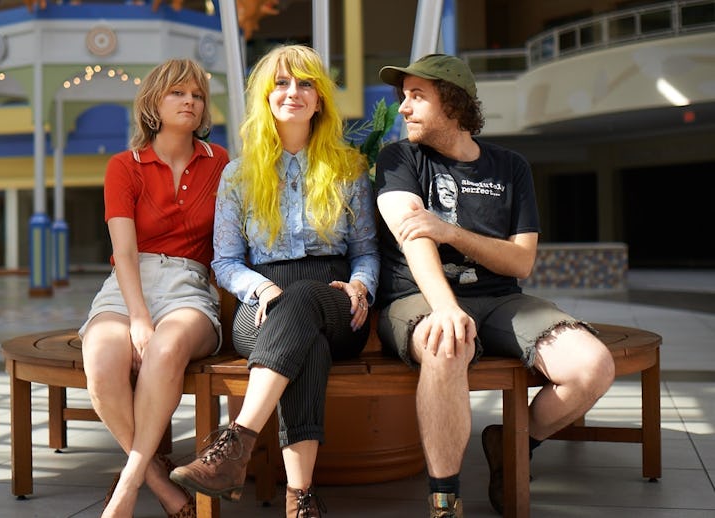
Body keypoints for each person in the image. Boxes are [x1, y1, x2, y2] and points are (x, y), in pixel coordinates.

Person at [373, 53, 616, 517]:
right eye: (403, 96)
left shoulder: (510, 167)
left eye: (417, 96)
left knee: (593, 366)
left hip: (501, 300)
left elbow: (521, 259)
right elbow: (414, 239)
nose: (404, 107)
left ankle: (511, 444)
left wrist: (452, 232)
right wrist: (444, 308)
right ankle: (445, 501)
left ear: (455, 104)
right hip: (416, 298)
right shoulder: (399, 158)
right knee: (447, 342)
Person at [170, 44, 379, 518]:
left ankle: (235, 444)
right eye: (282, 83)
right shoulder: (239, 175)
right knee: (308, 345)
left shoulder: (347, 168)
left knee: (306, 299)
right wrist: (261, 288)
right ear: (265, 95)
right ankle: (299, 500)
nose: (293, 92)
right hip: (260, 302)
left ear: (321, 99)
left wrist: (361, 286)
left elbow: (366, 251)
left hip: (336, 301)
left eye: (306, 83)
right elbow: (224, 261)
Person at [79, 58, 229, 518]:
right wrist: (139, 317)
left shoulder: (220, 162)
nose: (189, 101)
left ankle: (129, 482)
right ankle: (157, 479)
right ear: (153, 103)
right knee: (103, 359)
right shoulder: (124, 166)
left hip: (189, 285)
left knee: (165, 350)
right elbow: (123, 252)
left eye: (197, 95)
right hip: (130, 283)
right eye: (177, 93)